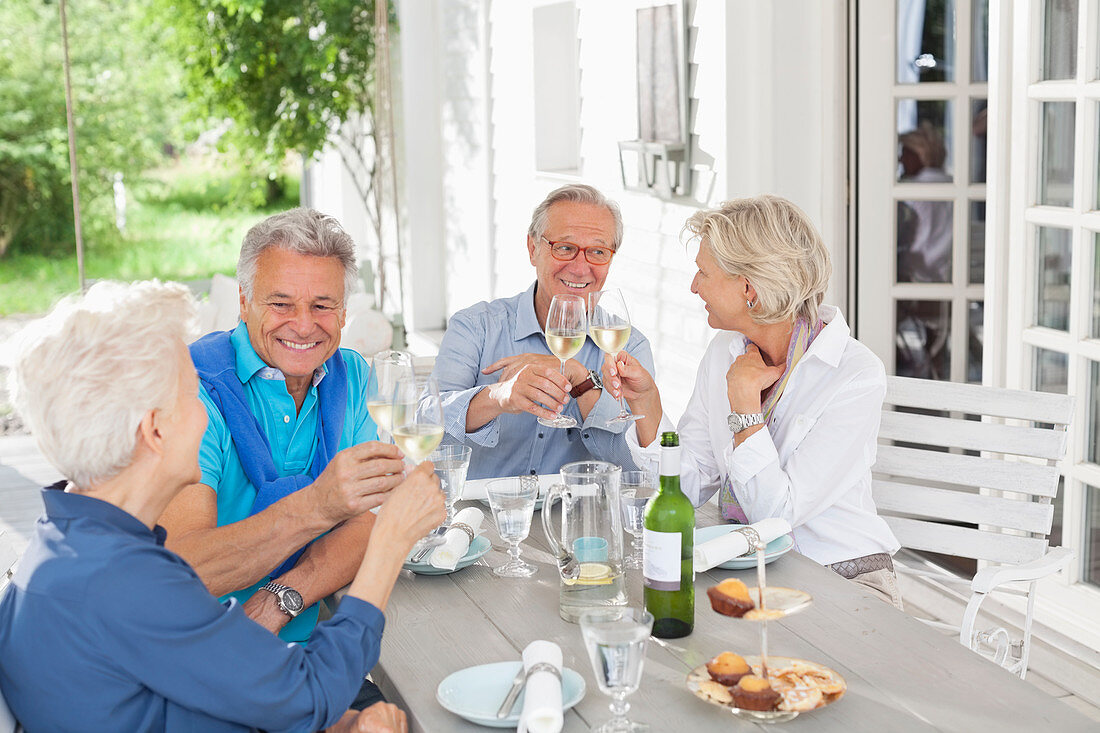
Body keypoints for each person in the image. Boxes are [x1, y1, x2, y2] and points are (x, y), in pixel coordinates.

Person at [0, 280, 444, 732]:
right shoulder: (127, 583)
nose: (208, 407)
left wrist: (345, 724)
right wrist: (390, 536)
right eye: (196, 393)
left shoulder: (69, 546)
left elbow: (199, 699)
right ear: (155, 431)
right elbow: (311, 695)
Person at [604, 195, 903, 608]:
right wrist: (646, 403)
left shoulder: (853, 375)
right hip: (753, 571)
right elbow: (687, 487)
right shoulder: (724, 352)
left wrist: (745, 406)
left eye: (703, 273)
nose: (694, 286)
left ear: (748, 288)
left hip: (845, 580)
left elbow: (776, 516)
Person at [157, 208, 404, 707]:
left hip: (308, 651)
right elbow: (186, 572)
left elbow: (369, 523)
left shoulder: (351, 375)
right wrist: (323, 505)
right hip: (201, 669)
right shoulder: (192, 391)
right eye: (281, 303)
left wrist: (280, 599)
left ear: (343, 310)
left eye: (323, 305)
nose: (304, 325)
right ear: (244, 301)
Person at [432, 184, 655, 479]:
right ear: (533, 249)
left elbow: (639, 471)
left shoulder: (630, 347)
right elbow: (425, 430)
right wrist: (496, 397)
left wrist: (584, 382)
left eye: (598, 251)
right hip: (479, 516)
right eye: (564, 248)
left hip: (578, 516)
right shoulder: (476, 327)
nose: (579, 267)